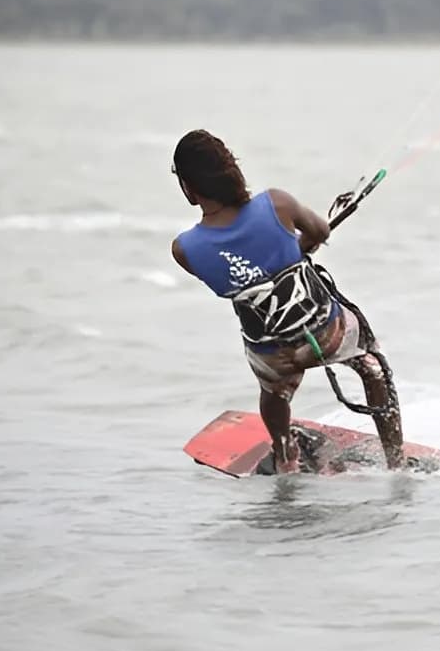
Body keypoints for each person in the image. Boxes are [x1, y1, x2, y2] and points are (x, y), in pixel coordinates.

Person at [168, 129, 404, 474]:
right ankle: (396, 463)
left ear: (189, 188)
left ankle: (284, 454)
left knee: (274, 392)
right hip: (326, 332)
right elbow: (320, 232)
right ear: (232, 170)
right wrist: (299, 246)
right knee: (371, 366)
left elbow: (235, 278)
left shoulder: (184, 249)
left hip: (270, 354)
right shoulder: (276, 203)